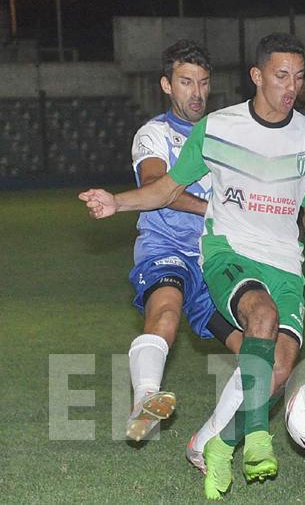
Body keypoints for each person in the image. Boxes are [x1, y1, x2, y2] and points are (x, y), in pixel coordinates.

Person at [80, 32, 305, 499]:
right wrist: (118, 201)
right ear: (257, 76)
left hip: (284, 265)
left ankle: (211, 443)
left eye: (298, 76)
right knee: (227, 315)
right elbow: (165, 187)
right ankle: (245, 434)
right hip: (217, 253)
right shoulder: (212, 129)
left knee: (274, 367)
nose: (291, 86)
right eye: (280, 75)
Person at [122, 39, 241, 442]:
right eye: (186, 82)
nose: (197, 92)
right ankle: (145, 399)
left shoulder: (224, 133)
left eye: (203, 83)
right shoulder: (153, 134)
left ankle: (211, 440)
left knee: (260, 350)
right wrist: (210, 209)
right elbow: (156, 184)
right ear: (167, 85)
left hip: (213, 257)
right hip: (166, 249)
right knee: (167, 313)